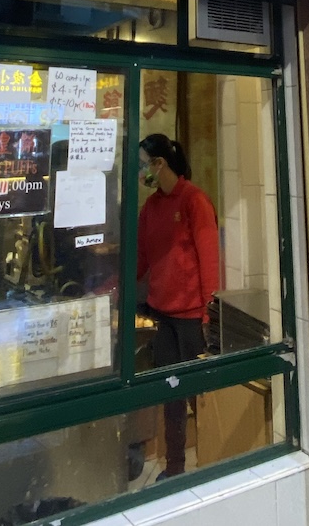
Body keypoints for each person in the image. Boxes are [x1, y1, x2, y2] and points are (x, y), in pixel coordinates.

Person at [136, 133, 219, 478]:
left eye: (143, 164)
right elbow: (141, 258)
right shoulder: (151, 207)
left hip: (192, 317)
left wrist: (209, 313)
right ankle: (175, 466)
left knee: (200, 395)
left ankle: (212, 462)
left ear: (160, 164)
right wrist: (110, 287)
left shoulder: (194, 201)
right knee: (171, 393)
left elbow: (209, 259)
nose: (141, 171)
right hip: (162, 315)